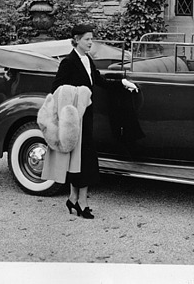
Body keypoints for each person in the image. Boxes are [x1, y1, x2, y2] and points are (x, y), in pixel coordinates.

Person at [43, 23, 137, 219]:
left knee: (82, 158)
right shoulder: (68, 62)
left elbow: (99, 81)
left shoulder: (87, 60)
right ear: (76, 40)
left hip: (87, 116)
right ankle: (81, 202)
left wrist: (122, 83)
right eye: (87, 39)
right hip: (74, 119)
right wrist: (79, 95)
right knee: (82, 159)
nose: (91, 43)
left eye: (91, 39)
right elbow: (57, 88)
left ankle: (72, 199)